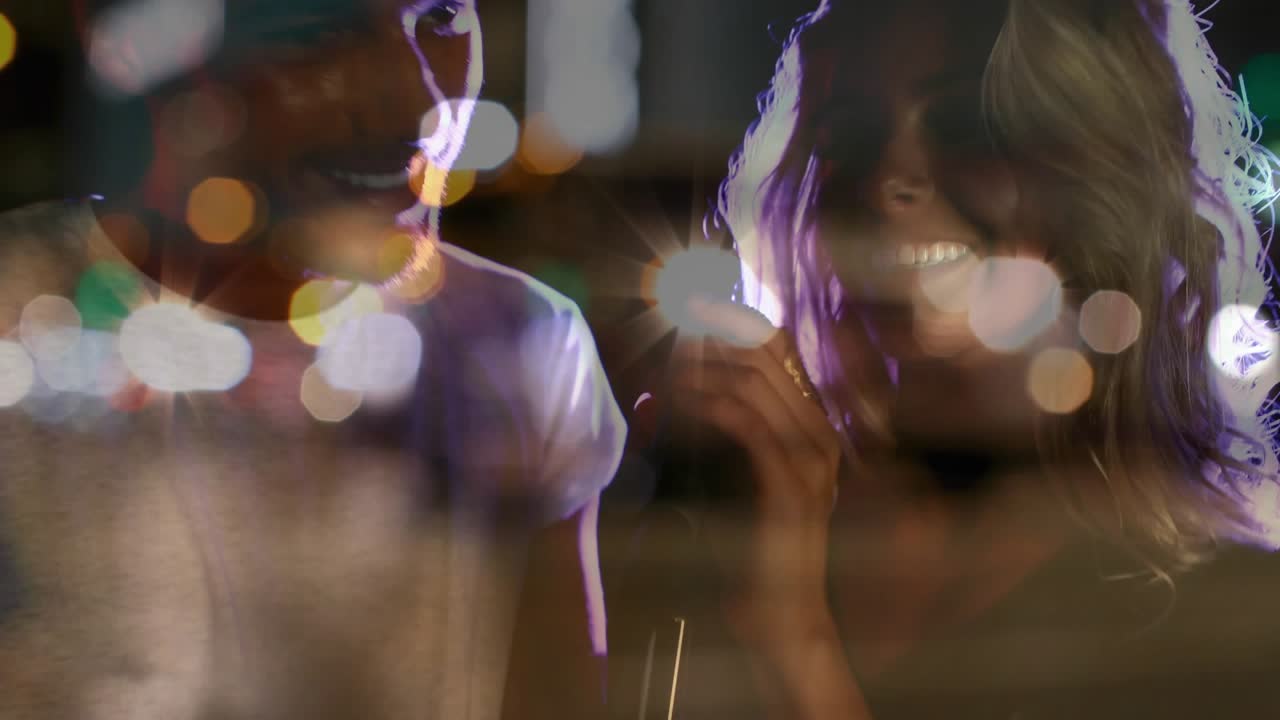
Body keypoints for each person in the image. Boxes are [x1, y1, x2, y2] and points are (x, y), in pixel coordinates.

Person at [649, 0, 1280, 717]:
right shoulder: (735, 521)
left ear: (1104, 186)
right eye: (847, 135)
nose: (893, 175)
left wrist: (789, 642)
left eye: (965, 126)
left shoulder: (1227, 624)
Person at [0, 1, 624, 718]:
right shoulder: (20, 318)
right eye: (328, 26)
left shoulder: (522, 340)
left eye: (444, 16)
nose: (417, 100)